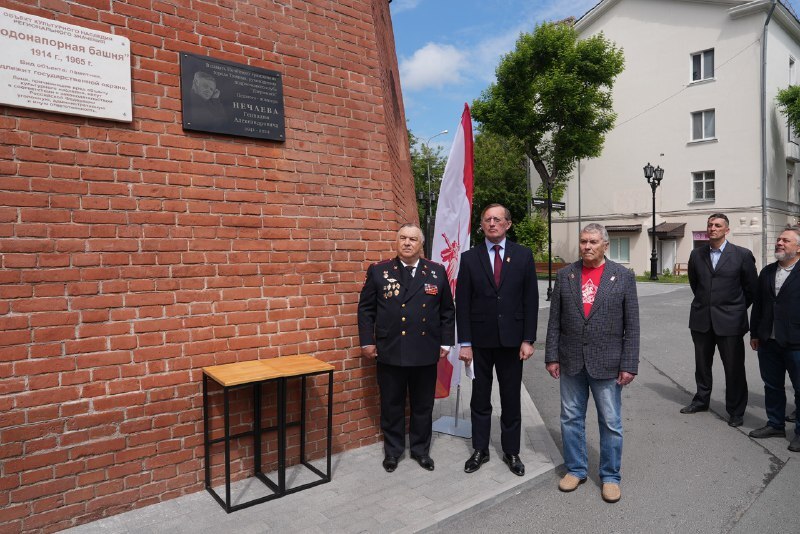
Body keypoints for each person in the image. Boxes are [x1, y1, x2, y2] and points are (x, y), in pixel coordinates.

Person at [544, 223, 639, 503]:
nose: (587, 246)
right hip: (571, 360)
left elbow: (632, 325)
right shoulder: (566, 275)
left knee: (610, 422)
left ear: (605, 245)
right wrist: (552, 356)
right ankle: (576, 469)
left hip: (608, 363)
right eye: (583, 241)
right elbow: (554, 321)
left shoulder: (623, 276)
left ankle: (610, 476)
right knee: (570, 418)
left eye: (593, 242)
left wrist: (629, 364)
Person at [357, 224, 455, 472]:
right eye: (403, 238)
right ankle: (393, 452)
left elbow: (447, 311)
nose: (407, 243)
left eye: (413, 239)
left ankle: (421, 451)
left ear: (421, 244)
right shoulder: (379, 271)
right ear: (396, 242)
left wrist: (446, 341)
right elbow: (366, 309)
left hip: (425, 350)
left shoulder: (436, 271)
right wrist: (367, 341)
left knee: (423, 405)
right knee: (391, 404)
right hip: (391, 349)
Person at [456, 204, 538, 477]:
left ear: (508, 224)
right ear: (481, 225)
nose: (492, 223)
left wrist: (528, 339)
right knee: (480, 399)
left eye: (497, 219)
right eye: (487, 219)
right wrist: (465, 342)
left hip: (512, 343)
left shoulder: (523, 255)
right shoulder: (469, 258)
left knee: (511, 399)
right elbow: (462, 303)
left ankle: (511, 451)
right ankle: (480, 449)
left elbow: (530, 300)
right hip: (479, 342)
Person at [681, 213, 757, 427]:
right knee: (702, 365)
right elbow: (695, 284)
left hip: (730, 322)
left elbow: (751, 289)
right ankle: (701, 400)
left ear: (726, 230)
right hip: (701, 320)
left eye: (717, 225)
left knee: (734, 368)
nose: (712, 228)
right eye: (710, 225)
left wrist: (735, 309)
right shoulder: (697, 254)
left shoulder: (742, 255)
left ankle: (736, 411)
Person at [748, 226, 800, 452]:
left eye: (786, 240)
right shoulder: (768, 271)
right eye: (779, 239)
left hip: (796, 342)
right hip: (768, 341)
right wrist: (755, 333)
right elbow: (758, 304)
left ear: (798, 247)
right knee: (772, 386)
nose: (779, 243)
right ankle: (775, 424)